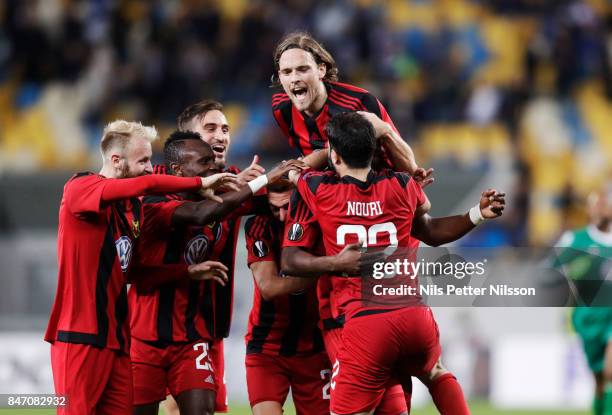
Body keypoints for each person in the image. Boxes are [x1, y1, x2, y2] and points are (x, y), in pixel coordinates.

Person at [281, 112, 505, 415]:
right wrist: (476, 214)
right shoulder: (402, 185)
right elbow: (432, 231)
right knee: (436, 372)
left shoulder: (320, 189)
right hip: (414, 315)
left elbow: (296, 174)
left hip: (366, 322)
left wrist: (298, 172)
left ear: (335, 154)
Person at [44, 120, 237, 415]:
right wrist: (199, 182)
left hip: (118, 341)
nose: (150, 168)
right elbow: (147, 184)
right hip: (79, 336)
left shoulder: (131, 209)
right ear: (116, 161)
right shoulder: (80, 187)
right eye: (144, 160)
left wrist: (186, 272)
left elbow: (133, 272)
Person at [130, 130, 304, 415]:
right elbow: (202, 214)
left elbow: (269, 202)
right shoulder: (154, 203)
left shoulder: (224, 197)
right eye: (204, 162)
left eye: (213, 160)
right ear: (178, 170)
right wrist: (264, 179)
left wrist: (289, 185)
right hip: (145, 338)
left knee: (203, 411)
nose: (214, 167)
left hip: (192, 338)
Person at [244, 180, 329, 415]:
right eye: (274, 208)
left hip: (315, 346)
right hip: (267, 346)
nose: (281, 216)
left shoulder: (322, 223)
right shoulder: (259, 226)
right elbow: (269, 287)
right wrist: (327, 269)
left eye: (287, 207)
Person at [554, 184, 612, 415]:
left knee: (610, 372)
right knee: (600, 381)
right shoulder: (575, 239)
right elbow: (551, 272)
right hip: (588, 317)